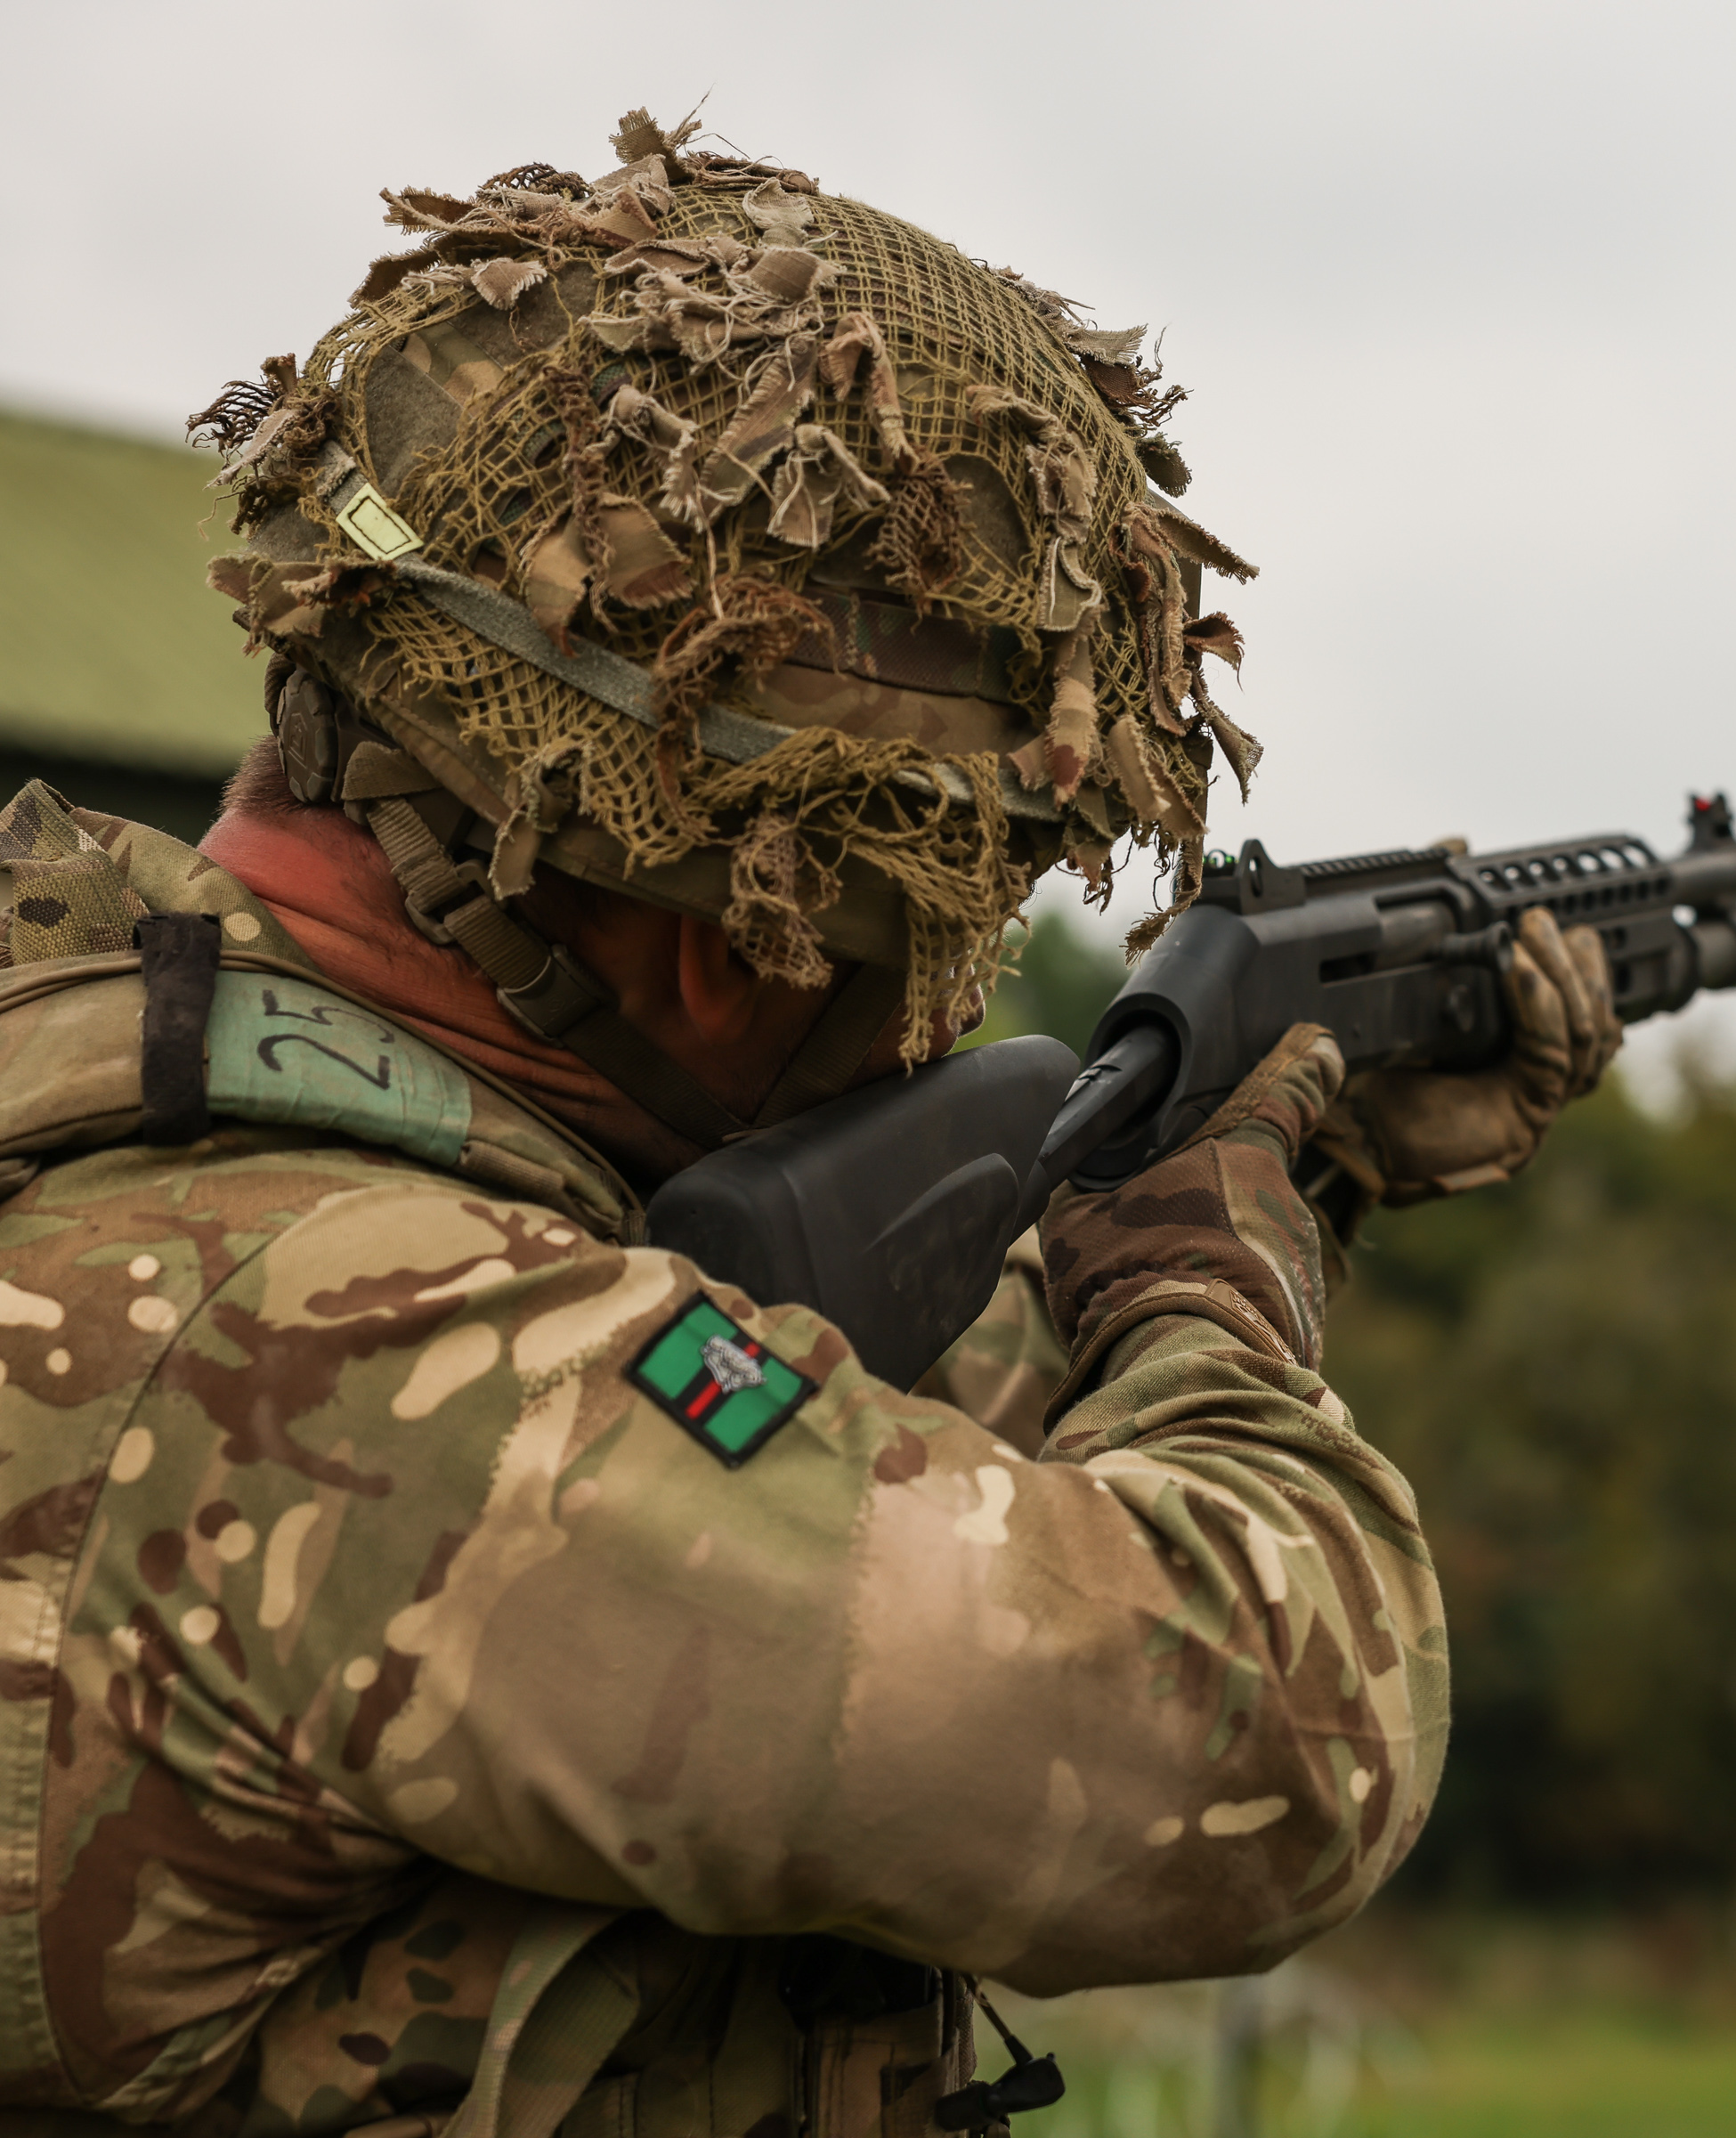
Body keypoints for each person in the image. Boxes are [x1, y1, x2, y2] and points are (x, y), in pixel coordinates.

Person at [0, 109, 1618, 2136]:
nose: (941, 1020)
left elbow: (835, 1453)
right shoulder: (393, 1366)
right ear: (724, 954)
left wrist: (1308, 1166)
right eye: (930, 949)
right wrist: (1218, 1287)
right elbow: (1272, 1743)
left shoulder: (134, 1141)